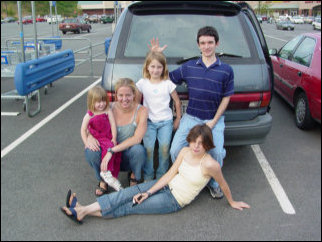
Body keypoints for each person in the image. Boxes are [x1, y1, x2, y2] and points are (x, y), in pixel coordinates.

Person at [61, 124, 250, 224]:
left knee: (130, 206)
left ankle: (82, 211)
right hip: (165, 184)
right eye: (193, 141)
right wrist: (148, 192)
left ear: (208, 144)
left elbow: (223, 184)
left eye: (201, 143)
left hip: (175, 199)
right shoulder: (185, 152)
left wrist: (232, 202)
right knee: (126, 194)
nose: (196, 146)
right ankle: (82, 210)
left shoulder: (210, 164)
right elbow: (169, 174)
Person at [148, 26, 234, 199]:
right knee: (175, 150)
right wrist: (156, 56)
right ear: (198, 45)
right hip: (191, 117)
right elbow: (163, 77)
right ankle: (185, 176)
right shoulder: (188, 67)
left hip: (213, 119)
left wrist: (214, 121)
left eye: (210, 42)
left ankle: (213, 183)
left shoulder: (226, 70)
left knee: (216, 153)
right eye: (203, 43)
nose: (206, 46)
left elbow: (226, 98)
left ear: (217, 43)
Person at [85, 78, 148, 195]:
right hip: (107, 155)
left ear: (134, 94)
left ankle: (134, 175)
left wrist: (111, 151)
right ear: (115, 95)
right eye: (121, 95)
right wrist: (89, 137)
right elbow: (91, 124)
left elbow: (137, 139)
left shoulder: (142, 111)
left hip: (126, 154)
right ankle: (103, 180)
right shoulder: (108, 108)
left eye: (128, 95)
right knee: (91, 151)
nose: (124, 99)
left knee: (139, 150)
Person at [136, 51, 181, 182]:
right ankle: (149, 175)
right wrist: (138, 121)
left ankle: (162, 175)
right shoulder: (142, 83)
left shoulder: (167, 84)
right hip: (148, 122)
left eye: (159, 67)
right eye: (153, 66)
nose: (156, 70)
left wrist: (178, 118)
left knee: (164, 148)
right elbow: (137, 103)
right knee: (148, 149)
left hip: (165, 122)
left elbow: (177, 101)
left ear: (163, 68)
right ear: (147, 67)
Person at [81, 86, 123, 192]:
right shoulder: (89, 115)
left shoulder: (107, 111)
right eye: (98, 102)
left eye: (103, 101)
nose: (101, 104)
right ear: (91, 102)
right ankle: (106, 174)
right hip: (97, 139)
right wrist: (86, 142)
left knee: (112, 150)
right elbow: (83, 130)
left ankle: (108, 174)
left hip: (107, 138)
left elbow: (113, 124)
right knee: (98, 152)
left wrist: (114, 138)